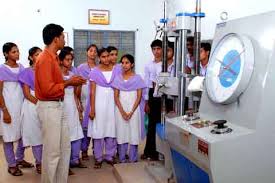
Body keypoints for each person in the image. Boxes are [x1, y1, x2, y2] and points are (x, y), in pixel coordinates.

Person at [35, 23, 86, 183]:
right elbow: (47, 89)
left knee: (64, 149)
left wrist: (71, 82)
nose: (64, 39)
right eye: (63, 36)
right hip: (49, 107)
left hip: (58, 105)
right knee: (52, 153)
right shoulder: (44, 59)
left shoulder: (54, 58)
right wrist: (69, 82)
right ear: (56, 39)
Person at [0, 42, 33, 176]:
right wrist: (5, 110)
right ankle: (12, 164)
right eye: (14, 52)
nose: (17, 54)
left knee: (24, 135)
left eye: (18, 51)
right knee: (8, 138)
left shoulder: (22, 68)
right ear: (6, 54)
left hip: (22, 106)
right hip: (8, 108)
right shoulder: (2, 69)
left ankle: (19, 158)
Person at [112, 54, 146, 163]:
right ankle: (122, 158)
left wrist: (131, 112)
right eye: (122, 63)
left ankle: (133, 158)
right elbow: (116, 97)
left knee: (133, 132)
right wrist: (122, 112)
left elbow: (139, 97)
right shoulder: (118, 78)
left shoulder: (138, 79)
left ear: (132, 64)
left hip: (134, 110)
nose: (124, 65)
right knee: (121, 133)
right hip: (120, 110)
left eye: (127, 63)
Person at [87, 48, 117, 169]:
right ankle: (98, 157)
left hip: (112, 103)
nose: (106, 59)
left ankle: (110, 156)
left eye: (108, 56)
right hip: (99, 104)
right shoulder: (95, 72)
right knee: (98, 129)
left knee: (111, 128)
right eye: (103, 57)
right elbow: (92, 92)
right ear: (99, 57)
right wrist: (92, 109)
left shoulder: (116, 70)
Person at [59, 49, 86, 174]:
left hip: (72, 105)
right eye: (67, 60)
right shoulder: (57, 75)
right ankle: (64, 164)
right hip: (61, 106)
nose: (70, 62)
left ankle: (75, 160)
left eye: (71, 60)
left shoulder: (73, 75)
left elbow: (75, 94)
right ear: (61, 60)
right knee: (64, 135)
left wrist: (79, 107)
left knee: (76, 133)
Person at [19, 46, 43, 174]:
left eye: (41, 54)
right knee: (36, 135)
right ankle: (39, 162)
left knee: (46, 134)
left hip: (45, 104)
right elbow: (27, 94)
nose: (39, 56)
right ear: (30, 57)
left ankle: (46, 161)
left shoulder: (45, 70)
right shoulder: (26, 72)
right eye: (36, 54)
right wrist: (39, 103)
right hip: (32, 105)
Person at [141, 39, 163, 160]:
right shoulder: (149, 65)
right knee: (151, 125)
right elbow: (147, 83)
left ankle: (161, 152)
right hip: (152, 95)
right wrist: (146, 102)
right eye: (154, 49)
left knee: (162, 124)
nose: (156, 51)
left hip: (164, 94)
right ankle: (149, 151)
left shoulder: (167, 64)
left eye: (158, 48)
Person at [77, 44, 98, 160]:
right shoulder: (81, 68)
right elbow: (78, 85)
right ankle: (84, 150)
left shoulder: (99, 68)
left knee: (95, 124)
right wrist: (79, 101)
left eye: (95, 51)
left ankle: (96, 149)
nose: (93, 53)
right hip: (85, 97)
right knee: (85, 125)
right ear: (87, 52)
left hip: (95, 97)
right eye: (91, 51)